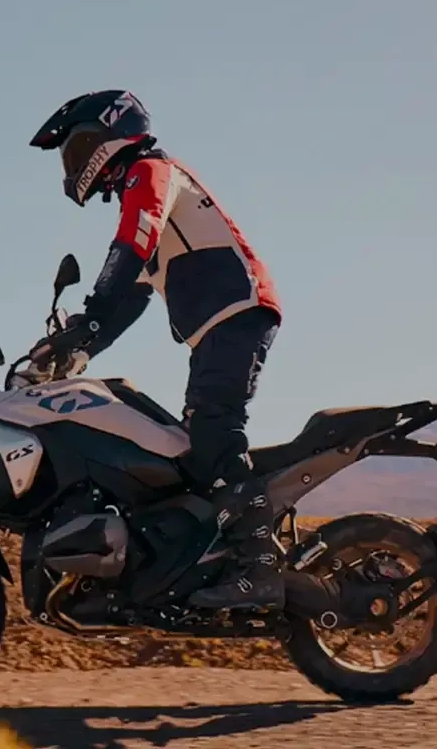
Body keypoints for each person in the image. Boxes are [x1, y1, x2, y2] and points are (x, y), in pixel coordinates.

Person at [25, 90, 285, 610]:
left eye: (78, 149)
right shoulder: (147, 193)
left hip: (237, 312)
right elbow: (130, 299)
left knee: (214, 433)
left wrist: (88, 318)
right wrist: (78, 348)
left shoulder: (151, 172)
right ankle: (213, 558)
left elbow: (131, 246)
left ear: (111, 133)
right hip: (220, 325)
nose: (73, 165)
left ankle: (259, 566)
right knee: (193, 443)